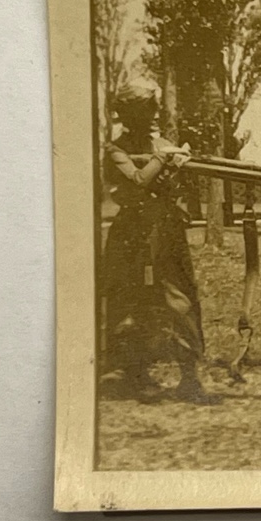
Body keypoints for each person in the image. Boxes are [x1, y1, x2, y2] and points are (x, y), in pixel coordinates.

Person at [102, 75, 219, 404]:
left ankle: (189, 375)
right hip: (131, 235)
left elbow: (170, 187)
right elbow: (138, 181)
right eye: (148, 108)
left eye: (155, 107)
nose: (155, 114)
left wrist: (178, 166)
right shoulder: (116, 150)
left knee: (180, 299)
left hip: (165, 231)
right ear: (131, 113)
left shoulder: (161, 144)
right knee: (130, 301)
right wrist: (164, 159)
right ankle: (130, 374)